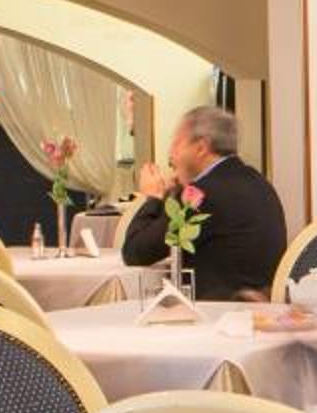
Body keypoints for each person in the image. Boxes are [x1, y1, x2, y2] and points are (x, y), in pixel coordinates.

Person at [120, 105, 287, 300]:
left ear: (200, 148)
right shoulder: (257, 181)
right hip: (257, 306)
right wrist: (174, 192)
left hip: (217, 309)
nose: (171, 155)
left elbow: (136, 252)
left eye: (176, 144)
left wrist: (152, 196)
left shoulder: (202, 195)